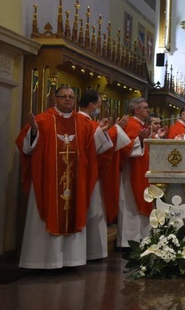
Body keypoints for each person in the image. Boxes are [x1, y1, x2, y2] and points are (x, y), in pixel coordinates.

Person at [15, 85, 98, 269]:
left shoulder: (83, 123)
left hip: (75, 180)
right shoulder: (43, 120)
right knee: (47, 212)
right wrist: (34, 132)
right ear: (56, 99)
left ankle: (71, 260)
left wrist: (103, 133)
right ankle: (43, 262)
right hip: (49, 181)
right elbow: (25, 147)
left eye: (71, 96)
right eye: (63, 96)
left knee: (73, 211)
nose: (68, 99)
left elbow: (91, 152)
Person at [78, 89, 131, 261]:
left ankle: (91, 251)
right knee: (92, 212)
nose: (98, 109)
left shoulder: (88, 123)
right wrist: (117, 129)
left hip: (89, 173)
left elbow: (102, 144)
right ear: (91, 105)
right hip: (88, 175)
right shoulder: (83, 122)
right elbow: (99, 148)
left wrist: (111, 130)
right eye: (98, 106)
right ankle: (91, 252)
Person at [117, 98, 161, 248]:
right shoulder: (130, 124)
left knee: (142, 201)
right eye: (145, 108)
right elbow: (124, 148)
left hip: (143, 170)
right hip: (132, 172)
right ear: (136, 110)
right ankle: (128, 242)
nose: (148, 110)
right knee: (131, 205)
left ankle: (142, 238)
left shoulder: (142, 125)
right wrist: (139, 140)